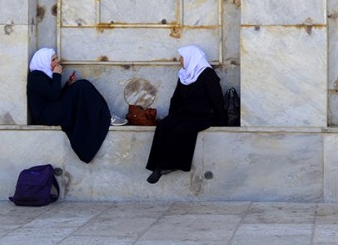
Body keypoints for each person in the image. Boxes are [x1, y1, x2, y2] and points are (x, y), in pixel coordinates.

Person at [27, 47, 127, 164]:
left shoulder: (44, 75)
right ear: (43, 61)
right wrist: (57, 75)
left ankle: (103, 115)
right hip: (46, 116)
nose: (57, 62)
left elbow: (55, 96)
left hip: (52, 110)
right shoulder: (36, 77)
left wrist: (68, 85)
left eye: (56, 58)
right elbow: (54, 96)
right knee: (82, 86)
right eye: (53, 59)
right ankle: (105, 116)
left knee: (80, 86)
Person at [146, 45, 227, 184]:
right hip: (185, 113)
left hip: (204, 115)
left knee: (181, 130)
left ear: (191, 57)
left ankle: (168, 165)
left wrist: (221, 120)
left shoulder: (207, 74)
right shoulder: (184, 75)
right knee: (163, 126)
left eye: (182, 57)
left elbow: (217, 98)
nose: (180, 60)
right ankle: (156, 165)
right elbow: (176, 98)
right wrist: (171, 117)